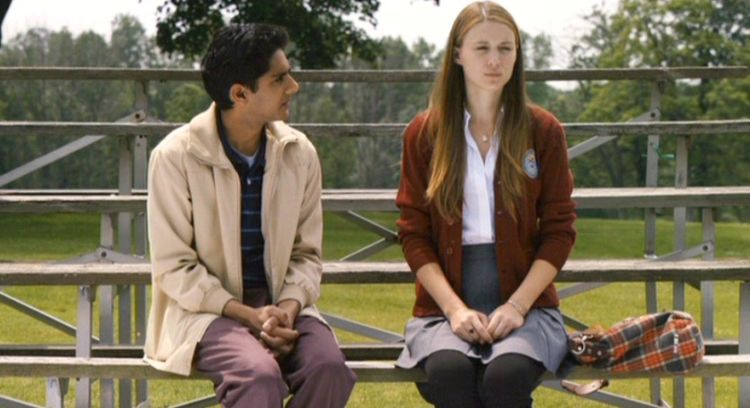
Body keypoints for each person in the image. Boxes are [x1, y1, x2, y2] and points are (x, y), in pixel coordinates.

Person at [144, 23, 355, 407]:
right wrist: (247, 315)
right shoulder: (173, 158)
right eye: (280, 79)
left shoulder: (300, 153)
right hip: (206, 311)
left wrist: (286, 309)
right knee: (258, 376)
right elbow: (174, 267)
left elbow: (307, 255)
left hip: (284, 306)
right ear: (240, 93)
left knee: (330, 370)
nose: (294, 86)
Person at [395, 2, 577, 407]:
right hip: (444, 307)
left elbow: (559, 230)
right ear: (458, 54)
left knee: (505, 378)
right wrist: (455, 310)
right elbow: (413, 234)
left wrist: (516, 306)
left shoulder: (543, 130)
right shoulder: (424, 134)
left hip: (527, 303)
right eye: (482, 48)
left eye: (505, 48)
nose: (495, 60)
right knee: (449, 374)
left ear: (517, 54)